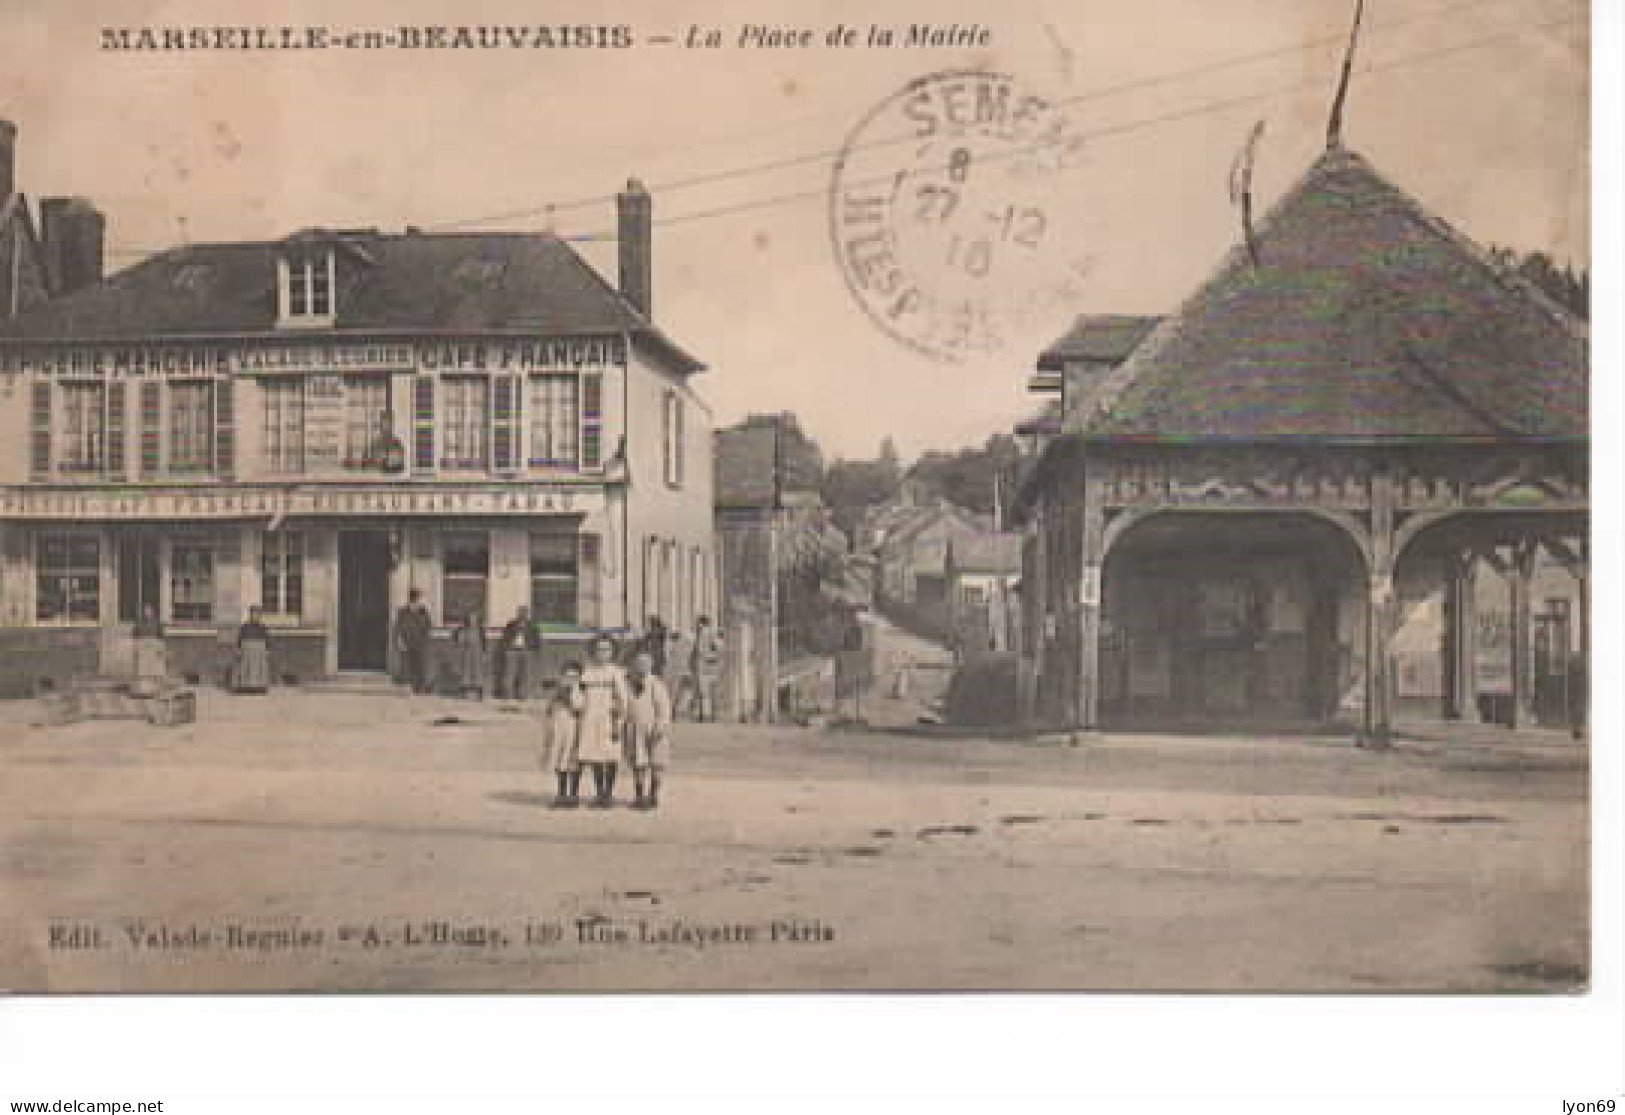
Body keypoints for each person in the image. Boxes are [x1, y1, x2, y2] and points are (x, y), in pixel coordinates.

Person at [577, 634, 629, 809]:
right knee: (594, 756)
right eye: (599, 649)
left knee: (610, 756)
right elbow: (580, 695)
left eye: (606, 649)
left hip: (608, 718)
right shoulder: (587, 671)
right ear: (593, 651)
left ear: (612, 652)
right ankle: (599, 793)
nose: (603, 653)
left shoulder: (616, 672)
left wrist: (618, 721)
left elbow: (622, 699)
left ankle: (608, 793)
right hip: (590, 718)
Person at [623, 651, 673, 811]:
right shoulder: (628, 684)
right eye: (638, 664)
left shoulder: (656, 684)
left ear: (651, 666)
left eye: (645, 664)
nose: (641, 667)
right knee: (638, 763)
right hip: (635, 729)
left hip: (654, 729)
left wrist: (661, 725)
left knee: (657, 763)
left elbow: (664, 708)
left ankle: (653, 794)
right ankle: (639, 796)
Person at [544, 661, 586, 808]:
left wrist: (569, 693)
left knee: (573, 761)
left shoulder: (581, 691)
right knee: (559, 760)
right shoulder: (557, 692)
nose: (570, 679)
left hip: (574, 728)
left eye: (574, 676)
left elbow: (578, 707)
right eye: (567, 676)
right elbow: (549, 710)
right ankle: (561, 793)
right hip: (559, 728)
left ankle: (573, 794)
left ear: (580, 678)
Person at [394, 590, 433, 694]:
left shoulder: (423, 612)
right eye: (413, 599)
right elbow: (398, 627)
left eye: (417, 599)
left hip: (420, 642)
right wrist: (400, 640)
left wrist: (425, 637)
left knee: (421, 664)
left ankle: (420, 686)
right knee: (409, 664)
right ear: (410, 599)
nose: (415, 601)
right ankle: (411, 685)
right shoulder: (403, 612)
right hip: (407, 641)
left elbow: (428, 625)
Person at [498, 606, 541, 701]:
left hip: (526, 651)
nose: (523, 615)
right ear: (517, 614)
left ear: (527, 614)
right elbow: (504, 638)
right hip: (512, 651)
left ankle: (522, 695)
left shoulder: (532, 625)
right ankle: (507, 694)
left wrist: (533, 650)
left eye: (525, 613)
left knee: (525, 674)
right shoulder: (511, 624)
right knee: (509, 673)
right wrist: (506, 650)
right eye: (521, 612)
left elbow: (537, 639)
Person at [689, 615, 725, 723]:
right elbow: (695, 652)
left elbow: (718, 649)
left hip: (708, 667)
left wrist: (710, 657)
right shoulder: (699, 636)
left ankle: (708, 715)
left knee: (707, 692)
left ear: (703, 624)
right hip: (702, 667)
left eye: (698, 623)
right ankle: (704, 715)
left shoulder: (710, 634)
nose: (697, 625)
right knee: (703, 692)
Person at [233, 606, 273, 694]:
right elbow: (240, 638)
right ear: (250, 615)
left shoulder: (263, 627)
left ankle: (259, 687)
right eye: (253, 614)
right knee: (245, 667)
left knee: (259, 668)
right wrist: (239, 648)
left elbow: (267, 639)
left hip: (260, 650)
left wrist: (267, 649)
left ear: (260, 616)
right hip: (246, 649)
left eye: (257, 614)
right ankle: (244, 687)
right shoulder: (245, 627)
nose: (255, 616)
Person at [451, 612, 487, 700]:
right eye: (471, 619)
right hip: (466, 652)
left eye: (474, 619)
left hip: (477, 652)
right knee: (465, 671)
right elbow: (456, 639)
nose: (472, 621)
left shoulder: (480, 630)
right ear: (468, 620)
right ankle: (463, 692)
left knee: (477, 671)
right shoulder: (462, 629)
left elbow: (484, 642)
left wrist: (484, 653)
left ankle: (479, 693)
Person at [133, 603, 167, 688]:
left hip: (154, 647)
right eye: (145, 611)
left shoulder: (157, 623)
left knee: (155, 667)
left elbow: (161, 637)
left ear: (152, 612)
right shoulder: (140, 623)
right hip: (143, 648)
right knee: (143, 667)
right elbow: (135, 635)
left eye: (149, 611)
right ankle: (143, 686)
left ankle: (156, 685)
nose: (147, 613)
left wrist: (161, 648)